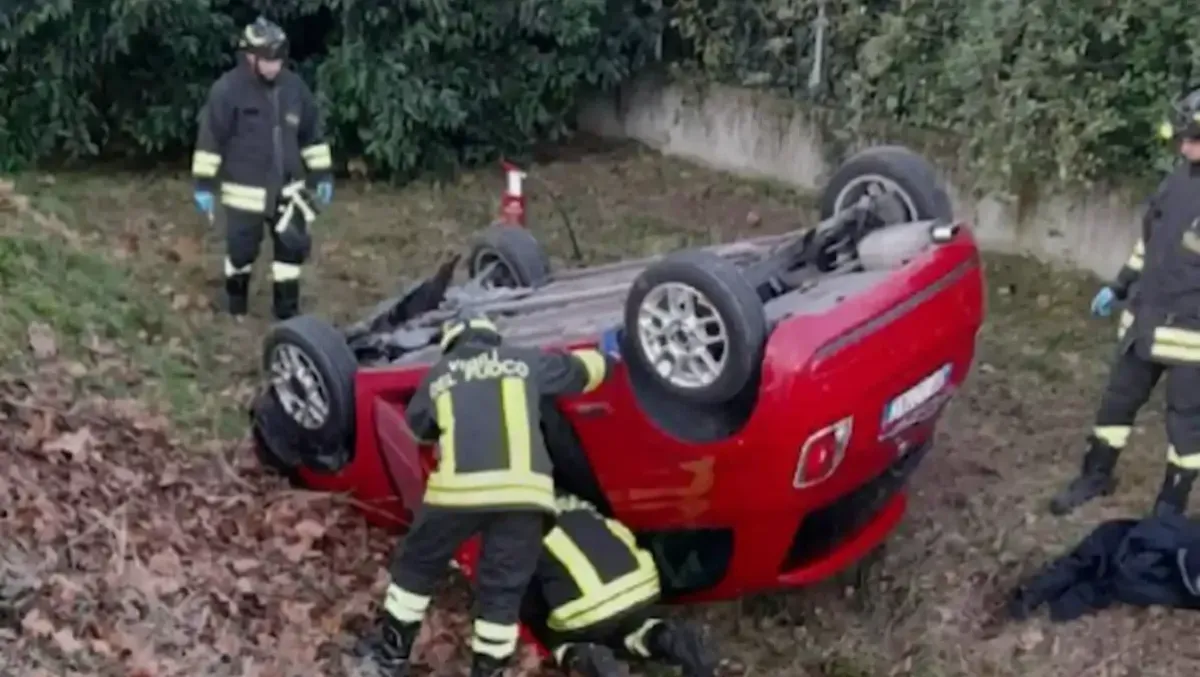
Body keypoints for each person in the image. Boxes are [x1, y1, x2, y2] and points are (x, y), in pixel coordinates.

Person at [365, 313, 620, 677]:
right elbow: (583, 372)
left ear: (450, 345)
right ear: (492, 338)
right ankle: (488, 671)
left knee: (417, 567)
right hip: (525, 498)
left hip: (458, 493)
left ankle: (389, 656)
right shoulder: (524, 360)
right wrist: (609, 354)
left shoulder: (439, 375)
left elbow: (418, 427)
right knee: (502, 591)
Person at [1049, 87, 1200, 517]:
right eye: (1184, 137)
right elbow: (1148, 244)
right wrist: (1119, 286)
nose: (1184, 145)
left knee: (1187, 432)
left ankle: (1169, 509)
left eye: (1193, 138)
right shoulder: (1177, 180)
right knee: (1116, 404)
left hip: (1192, 338)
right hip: (1144, 322)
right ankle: (1095, 475)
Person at [190, 16, 334, 321]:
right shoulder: (227, 90)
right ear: (250, 57)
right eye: (268, 60)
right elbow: (211, 139)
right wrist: (204, 184)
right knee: (241, 252)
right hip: (244, 192)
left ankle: (287, 313)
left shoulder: (295, 89)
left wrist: (322, 174)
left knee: (291, 253)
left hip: (289, 190)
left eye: (279, 60)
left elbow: (312, 136)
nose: (274, 67)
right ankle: (236, 305)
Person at [520, 490, 741, 677]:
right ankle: (673, 640)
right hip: (640, 586)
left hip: (587, 609)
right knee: (637, 627)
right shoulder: (575, 501)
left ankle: (585, 657)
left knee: (553, 635)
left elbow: (521, 595)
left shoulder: (514, 531)